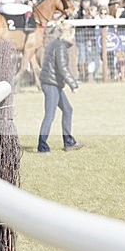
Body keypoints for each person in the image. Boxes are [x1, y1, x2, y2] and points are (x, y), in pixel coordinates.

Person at [37, 22, 82, 153]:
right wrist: (73, 85)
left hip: (52, 83)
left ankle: (68, 142)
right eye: (72, 35)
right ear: (67, 34)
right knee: (50, 116)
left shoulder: (54, 43)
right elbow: (63, 68)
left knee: (68, 110)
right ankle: (42, 146)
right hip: (51, 85)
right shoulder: (61, 47)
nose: (73, 39)